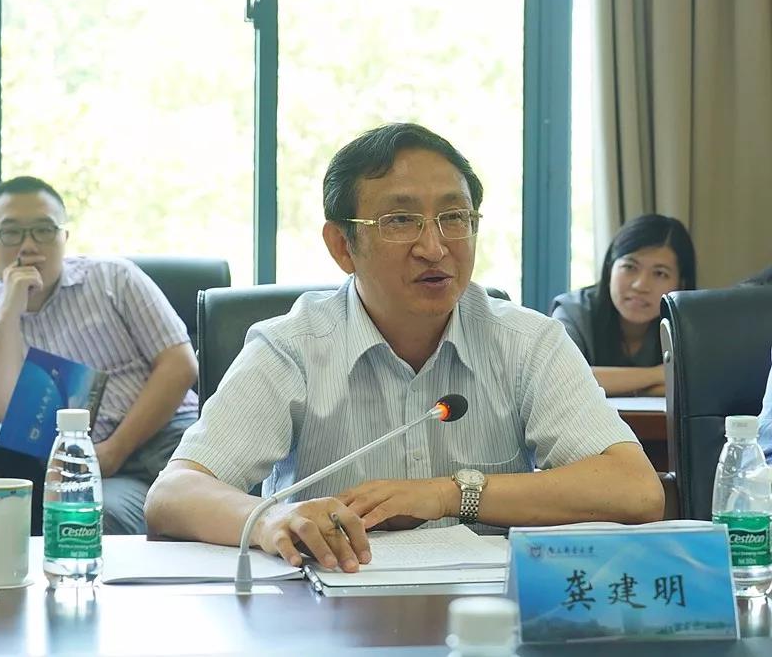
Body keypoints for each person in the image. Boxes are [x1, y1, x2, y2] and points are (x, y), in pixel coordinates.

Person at [145, 123, 664, 573]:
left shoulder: (529, 342)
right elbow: (172, 494)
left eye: (454, 217)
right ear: (342, 246)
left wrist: (449, 493)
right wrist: (269, 519)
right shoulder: (292, 348)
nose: (434, 247)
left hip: (488, 614)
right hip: (333, 614)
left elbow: (635, 490)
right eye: (400, 221)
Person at [0, 176, 198, 534]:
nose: (28, 245)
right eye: (11, 233)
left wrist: (115, 449)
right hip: (93, 472)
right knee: (90, 519)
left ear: (64, 236)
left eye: (44, 230)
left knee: (225, 503)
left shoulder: (114, 279)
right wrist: (8, 315)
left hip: (171, 436)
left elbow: (180, 365)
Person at [551, 214, 696, 397]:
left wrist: (619, 383)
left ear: (681, 284)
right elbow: (560, 378)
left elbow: (699, 384)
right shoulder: (573, 311)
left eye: (660, 273)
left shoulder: (691, 323)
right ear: (610, 268)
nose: (640, 285)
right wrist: (658, 375)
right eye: (630, 267)